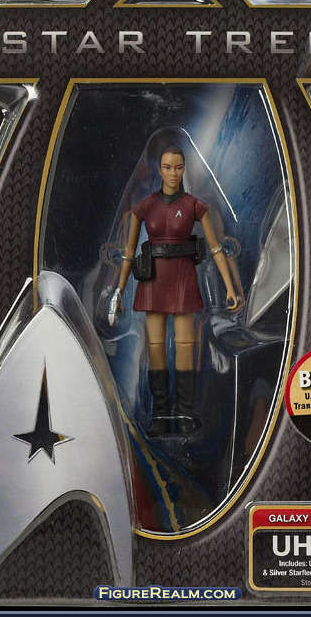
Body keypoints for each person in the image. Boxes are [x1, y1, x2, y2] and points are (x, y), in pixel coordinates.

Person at [110, 145, 240, 437]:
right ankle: (160, 414)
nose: (173, 173)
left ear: (184, 169)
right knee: (155, 347)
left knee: (185, 345)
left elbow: (216, 249)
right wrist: (118, 290)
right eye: (167, 167)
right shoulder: (144, 206)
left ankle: (183, 414)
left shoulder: (195, 205)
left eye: (178, 168)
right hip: (153, 280)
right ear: (159, 169)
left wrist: (230, 287)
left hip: (183, 278)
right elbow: (128, 254)